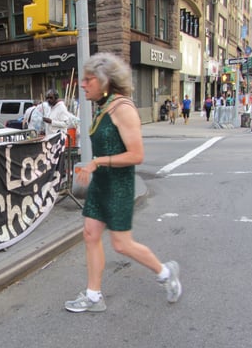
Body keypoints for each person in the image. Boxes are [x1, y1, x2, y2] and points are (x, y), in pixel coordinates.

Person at [64, 52, 182, 313]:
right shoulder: (103, 107)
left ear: (105, 81)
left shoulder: (123, 108)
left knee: (121, 244)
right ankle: (94, 296)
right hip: (101, 185)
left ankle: (166, 273)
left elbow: (136, 155)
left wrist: (97, 162)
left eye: (88, 79)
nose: (83, 84)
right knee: (90, 234)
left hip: (118, 187)